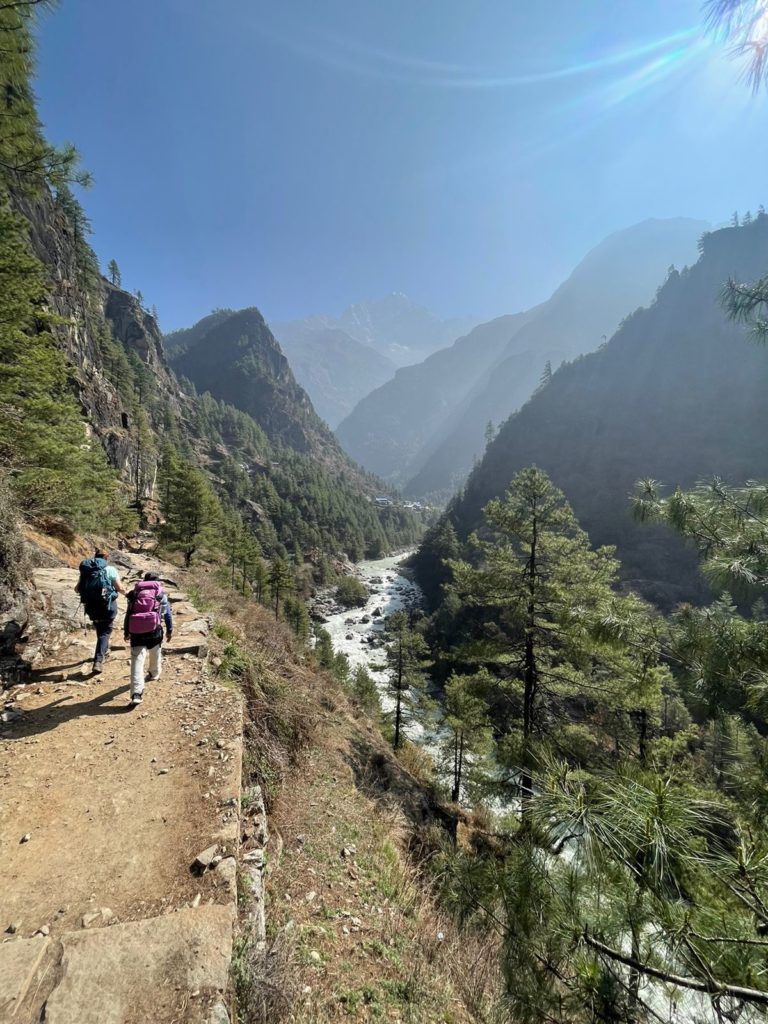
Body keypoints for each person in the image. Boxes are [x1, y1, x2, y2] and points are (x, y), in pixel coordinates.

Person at [123, 572, 173, 707]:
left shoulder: (135, 594)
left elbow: (128, 613)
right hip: (154, 630)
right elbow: (167, 614)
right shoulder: (161, 594)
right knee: (155, 652)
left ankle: (136, 694)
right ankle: (154, 673)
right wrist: (169, 630)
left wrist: (126, 631)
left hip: (136, 632)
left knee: (137, 662)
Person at [75, 548, 125, 674]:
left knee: (100, 628)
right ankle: (98, 661)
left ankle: (102, 650)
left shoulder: (86, 571)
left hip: (91, 606)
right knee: (105, 631)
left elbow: (77, 589)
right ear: (106, 558)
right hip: (107, 606)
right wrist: (128, 593)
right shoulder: (110, 569)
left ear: (95, 556)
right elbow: (119, 587)